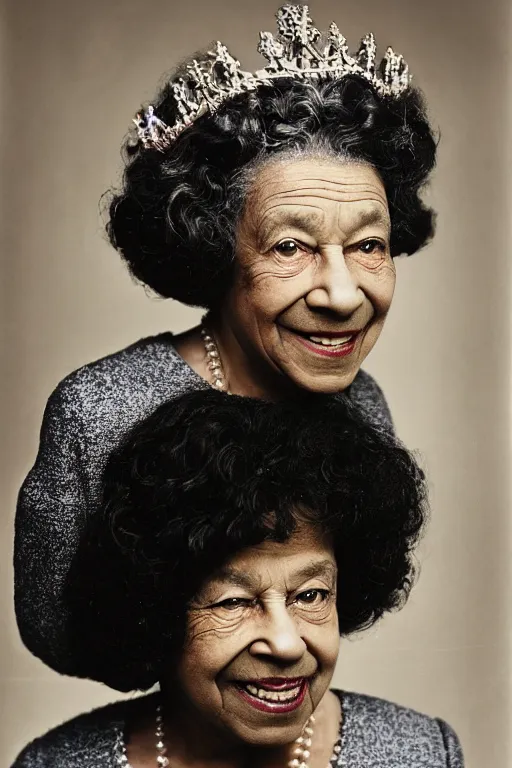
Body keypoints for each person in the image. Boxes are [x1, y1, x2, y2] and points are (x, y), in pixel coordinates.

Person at [14, 3, 438, 675]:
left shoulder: (364, 407)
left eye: (368, 245)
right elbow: (59, 634)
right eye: (291, 245)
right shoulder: (98, 413)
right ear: (215, 253)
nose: (344, 294)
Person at [12, 390, 463, 767]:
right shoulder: (56, 762)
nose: (286, 645)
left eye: (311, 595)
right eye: (233, 602)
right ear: (155, 611)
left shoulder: (422, 753)